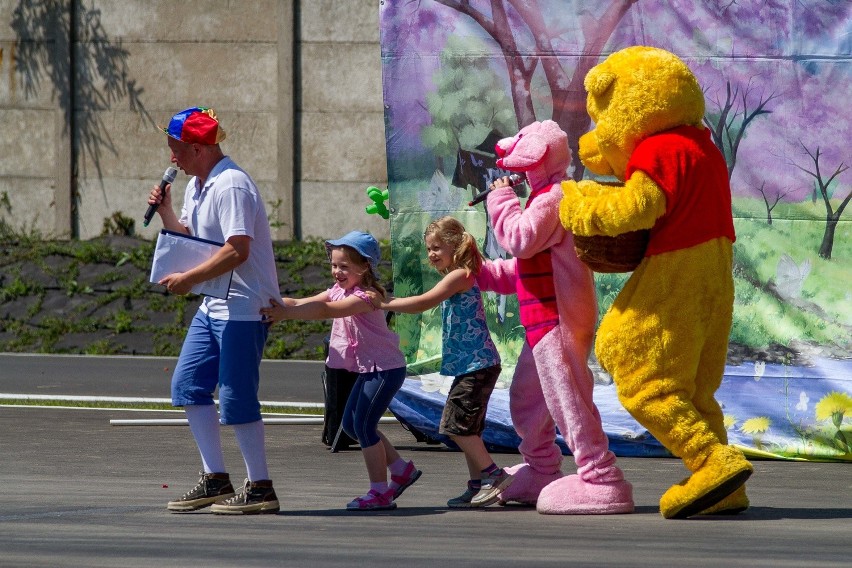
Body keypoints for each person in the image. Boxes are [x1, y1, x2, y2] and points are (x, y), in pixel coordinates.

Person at [149, 106, 282, 515]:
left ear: (196, 147)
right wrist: (168, 211)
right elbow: (194, 242)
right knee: (187, 385)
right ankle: (216, 478)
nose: (172, 158)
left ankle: (261, 487)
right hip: (215, 306)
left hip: (245, 306)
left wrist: (188, 280)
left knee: (237, 398)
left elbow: (237, 249)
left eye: (176, 149)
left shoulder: (231, 185)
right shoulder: (198, 185)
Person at [260, 231, 421, 511]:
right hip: (371, 369)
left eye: (344, 266)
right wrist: (276, 303)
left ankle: (379, 492)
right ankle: (400, 469)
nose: (337, 271)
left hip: (385, 369)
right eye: (334, 265)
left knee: (364, 427)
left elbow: (326, 311)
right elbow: (303, 302)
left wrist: (286, 315)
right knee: (350, 426)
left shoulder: (367, 297)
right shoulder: (339, 290)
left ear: (365, 266)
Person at [368, 216, 513, 508]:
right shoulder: (458, 275)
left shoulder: (459, 276)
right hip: (473, 365)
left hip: (478, 365)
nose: (431, 254)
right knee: (468, 429)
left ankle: (494, 476)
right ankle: (476, 485)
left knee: (454, 425)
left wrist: (385, 304)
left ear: (454, 246)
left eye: (437, 247)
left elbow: (424, 302)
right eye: (429, 249)